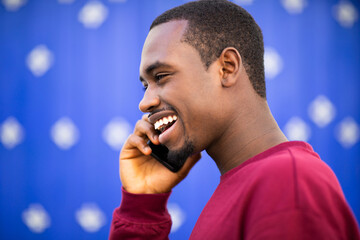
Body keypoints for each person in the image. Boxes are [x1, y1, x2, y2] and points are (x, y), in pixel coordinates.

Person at [109, 0, 360, 239]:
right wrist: (141, 205)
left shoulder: (287, 183)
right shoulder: (255, 184)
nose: (145, 103)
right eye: (145, 86)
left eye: (161, 76)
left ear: (227, 68)